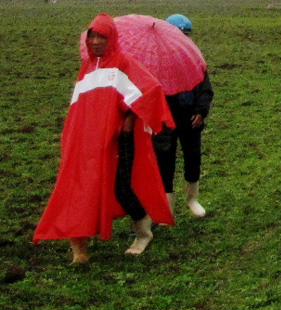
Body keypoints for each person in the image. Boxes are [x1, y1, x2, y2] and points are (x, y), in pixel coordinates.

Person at [34, 14, 174, 263]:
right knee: (85, 186)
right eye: (92, 37)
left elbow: (148, 90)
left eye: (102, 37)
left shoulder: (122, 62)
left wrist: (129, 121)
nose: (96, 42)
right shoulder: (87, 66)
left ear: (111, 39)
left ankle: (143, 232)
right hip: (89, 142)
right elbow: (80, 106)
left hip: (120, 139)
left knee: (122, 188)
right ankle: (80, 246)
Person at [155, 14, 214, 218]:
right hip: (164, 121)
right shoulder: (156, 63)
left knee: (192, 158)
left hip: (190, 119)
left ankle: (192, 199)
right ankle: (166, 207)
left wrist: (200, 111)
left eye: (186, 35)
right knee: (165, 162)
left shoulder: (194, 60)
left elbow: (206, 90)